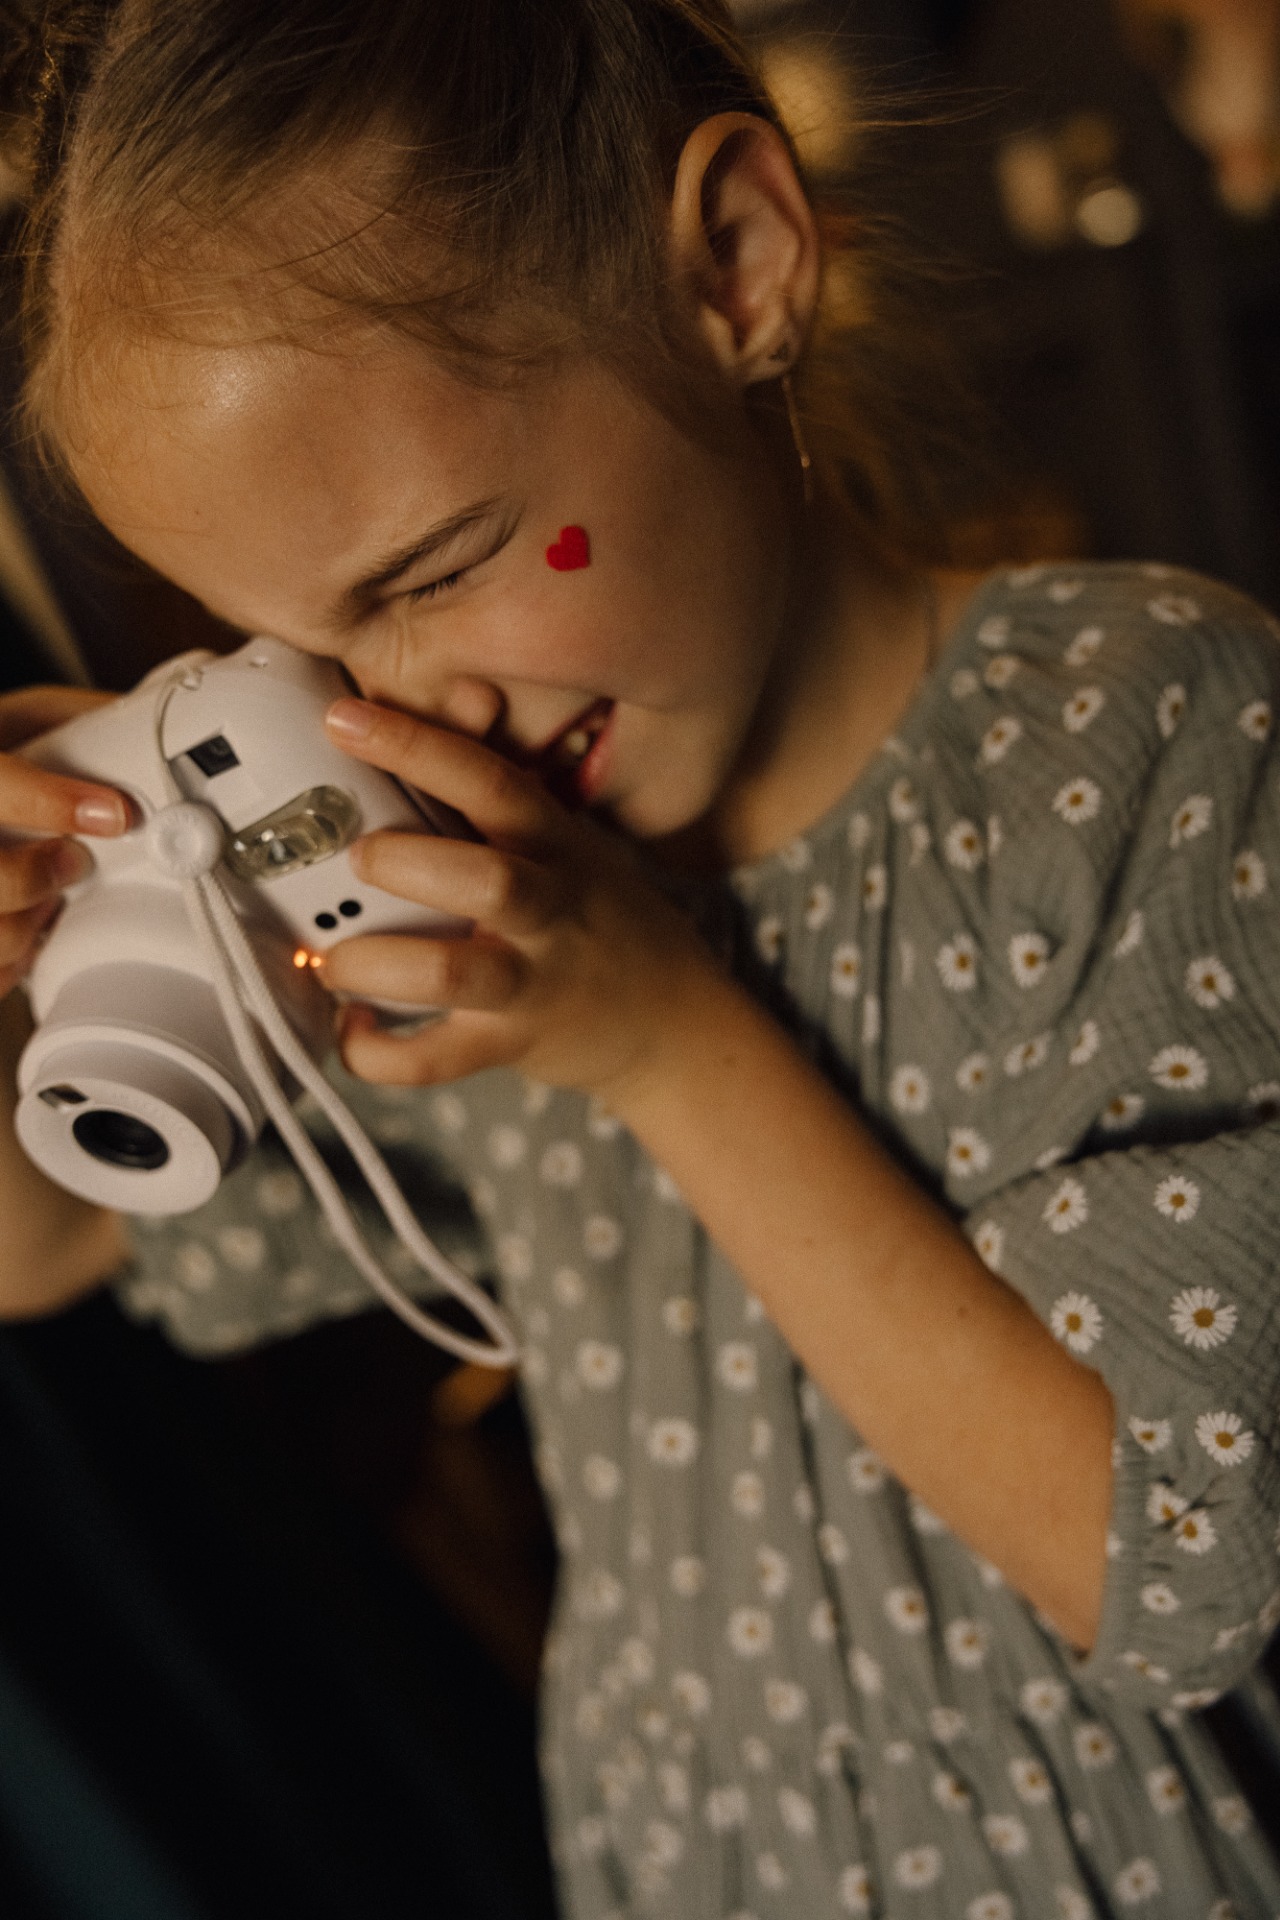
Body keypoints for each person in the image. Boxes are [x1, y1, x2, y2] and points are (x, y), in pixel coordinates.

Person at [1, 1, 1279, 1913]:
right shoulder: (461, 896)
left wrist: (660, 1041)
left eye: (436, 566)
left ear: (736, 266)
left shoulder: (1158, 731)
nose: (392, 712)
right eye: (303, 655)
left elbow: (1174, 1566)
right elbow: (54, 1250)